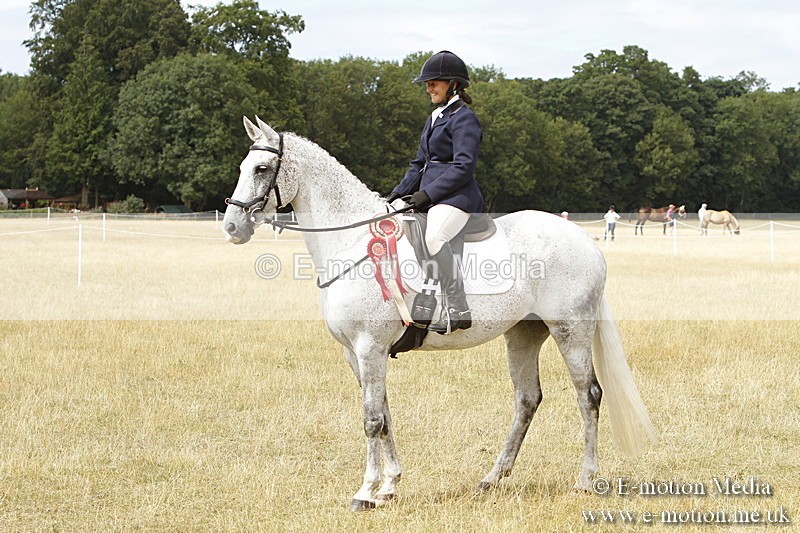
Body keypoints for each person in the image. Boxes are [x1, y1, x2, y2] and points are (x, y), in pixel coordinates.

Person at [386, 50, 483, 334]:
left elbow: (464, 166)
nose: (429, 87)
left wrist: (427, 195)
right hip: (430, 195)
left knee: (434, 236)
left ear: (453, 84)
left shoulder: (464, 118)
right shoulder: (434, 117)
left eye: (435, 82)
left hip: (456, 197)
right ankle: (424, 297)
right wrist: (394, 197)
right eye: (427, 83)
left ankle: (458, 307)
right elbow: (418, 164)